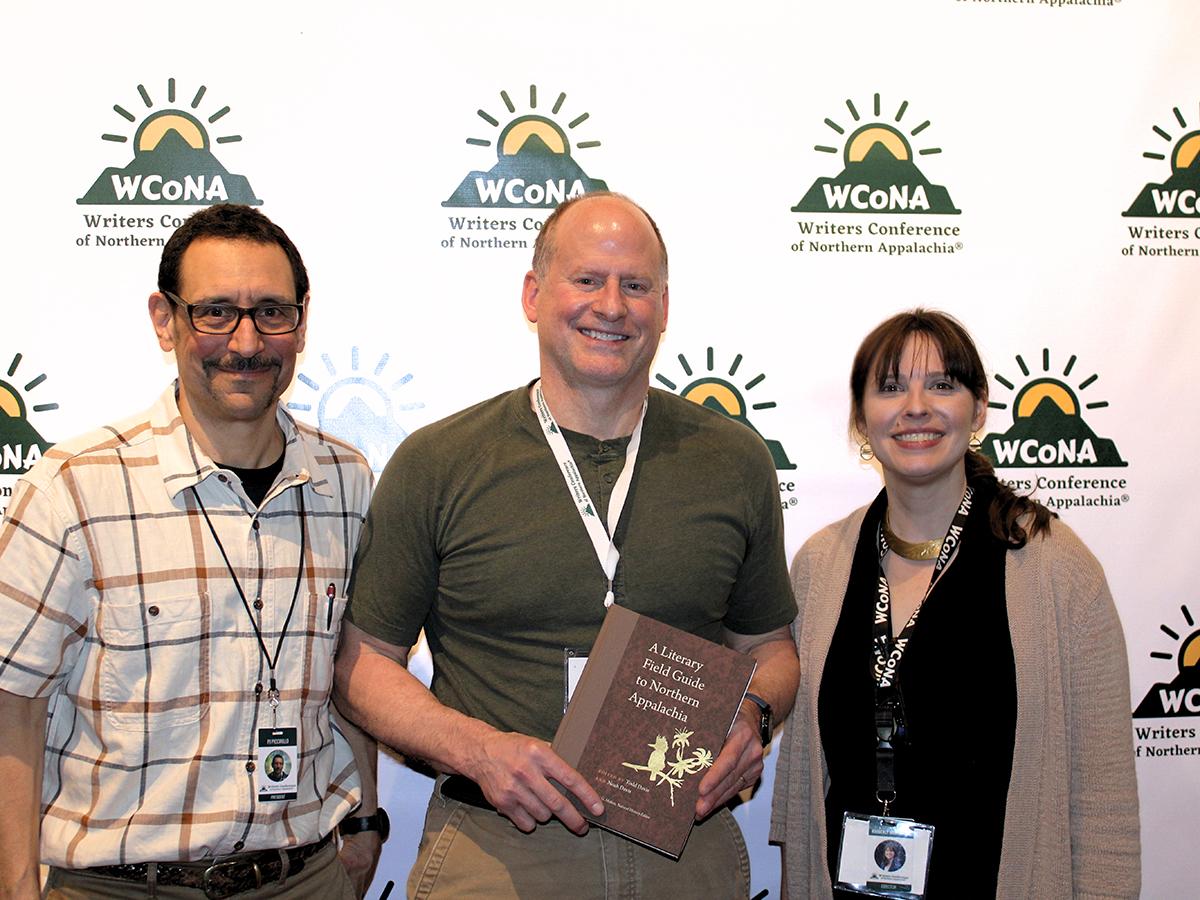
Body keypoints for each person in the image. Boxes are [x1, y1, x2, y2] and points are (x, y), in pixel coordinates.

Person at [335, 191, 799, 898]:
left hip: (688, 853)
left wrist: (754, 713)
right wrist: (477, 749)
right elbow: (364, 666)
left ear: (664, 308)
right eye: (586, 279)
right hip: (495, 853)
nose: (611, 306)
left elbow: (770, 649)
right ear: (533, 294)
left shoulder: (734, 461)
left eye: (636, 285)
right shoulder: (440, 461)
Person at [0, 205, 384, 899]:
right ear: (164, 318)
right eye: (214, 313)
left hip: (306, 878)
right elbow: (11, 703)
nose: (246, 342)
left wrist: (365, 823)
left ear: (301, 321)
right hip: (118, 885)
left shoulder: (347, 482)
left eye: (272, 312)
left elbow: (354, 674)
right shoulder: (77, 487)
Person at [770, 309, 1140, 899]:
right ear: (861, 419)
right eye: (890, 387)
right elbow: (801, 798)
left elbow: (1104, 804)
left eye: (943, 384)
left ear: (979, 408)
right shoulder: (821, 566)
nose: (916, 406)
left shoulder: (1055, 568)